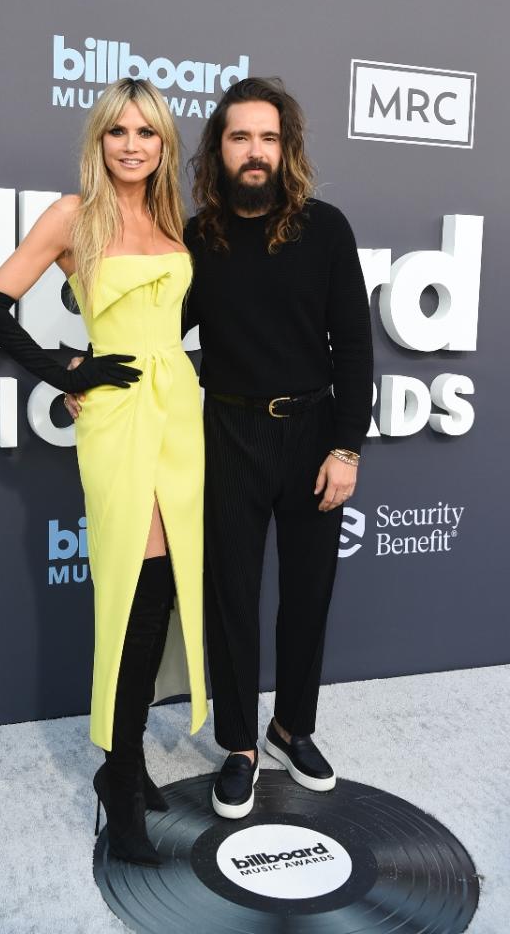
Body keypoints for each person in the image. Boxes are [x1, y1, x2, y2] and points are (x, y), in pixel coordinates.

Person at [65, 76, 373, 820]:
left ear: (287, 148)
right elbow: (149, 318)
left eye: (269, 137)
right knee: (230, 596)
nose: (256, 151)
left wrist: (347, 448)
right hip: (225, 434)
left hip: (311, 435)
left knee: (309, 595)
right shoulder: (195, 237)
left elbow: (355, 345)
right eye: (241, 137)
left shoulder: (327, 228)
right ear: (219, 149)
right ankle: (238, 744)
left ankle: (291, 726)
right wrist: (81, 362)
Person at [0, 77, 207, 866]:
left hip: (181, 413)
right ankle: (119, 768)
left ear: (164, 144)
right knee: (132, 589)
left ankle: (130, 761)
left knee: (168, 583)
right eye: (117, 132)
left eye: (147, 132)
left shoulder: (175, 221)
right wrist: (67, 368)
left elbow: (174, 322)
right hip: (118, 418)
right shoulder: (74, 216)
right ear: (98, 140)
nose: (132, 145)